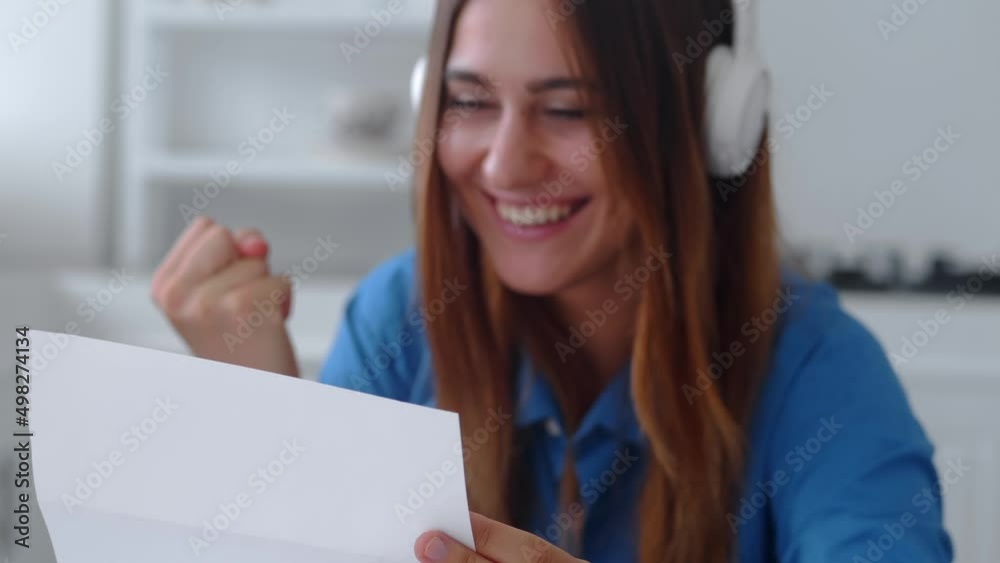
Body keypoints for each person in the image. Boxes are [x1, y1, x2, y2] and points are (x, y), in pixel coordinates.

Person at [150, 0, 953, 561]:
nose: (504, 166)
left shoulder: (820, 369)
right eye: (470, 101)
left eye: (569, 110)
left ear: (712, 122)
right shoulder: (400, 318)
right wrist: (264, 407)